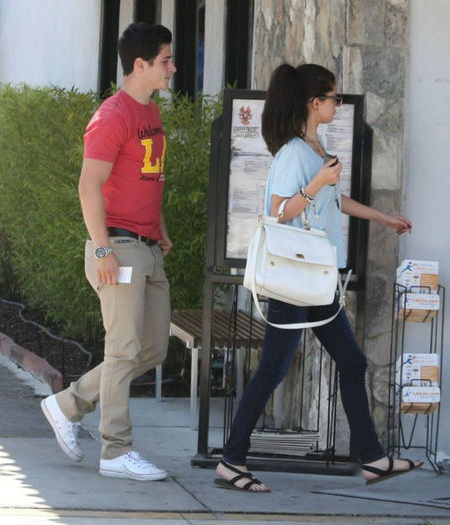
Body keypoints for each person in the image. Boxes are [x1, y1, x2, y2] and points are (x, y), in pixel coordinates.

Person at [215, 63, 422, 492]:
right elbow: (278, 209)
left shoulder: (313, 146)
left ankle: (373, 459)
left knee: (351, 361)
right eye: (333, 98)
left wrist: (382, 217)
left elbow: (334, 199)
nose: (337, 104)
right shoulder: (294, 152)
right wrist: (315, 183)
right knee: (273, 368)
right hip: (295, 278)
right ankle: (231, 460)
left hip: (315, 280)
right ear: (314, 103)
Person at [41, 22, 177, 481]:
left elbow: (144, 176)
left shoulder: (150, 113)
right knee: (122, 351)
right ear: (140, 65)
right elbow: (88, 185)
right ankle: (116, 452)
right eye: (165, 61)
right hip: (116, 246)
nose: (172, 68)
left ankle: (67, 403)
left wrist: (158, 227)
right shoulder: (113, 115)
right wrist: (102, 251)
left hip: (147, 246)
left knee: (152, 348)